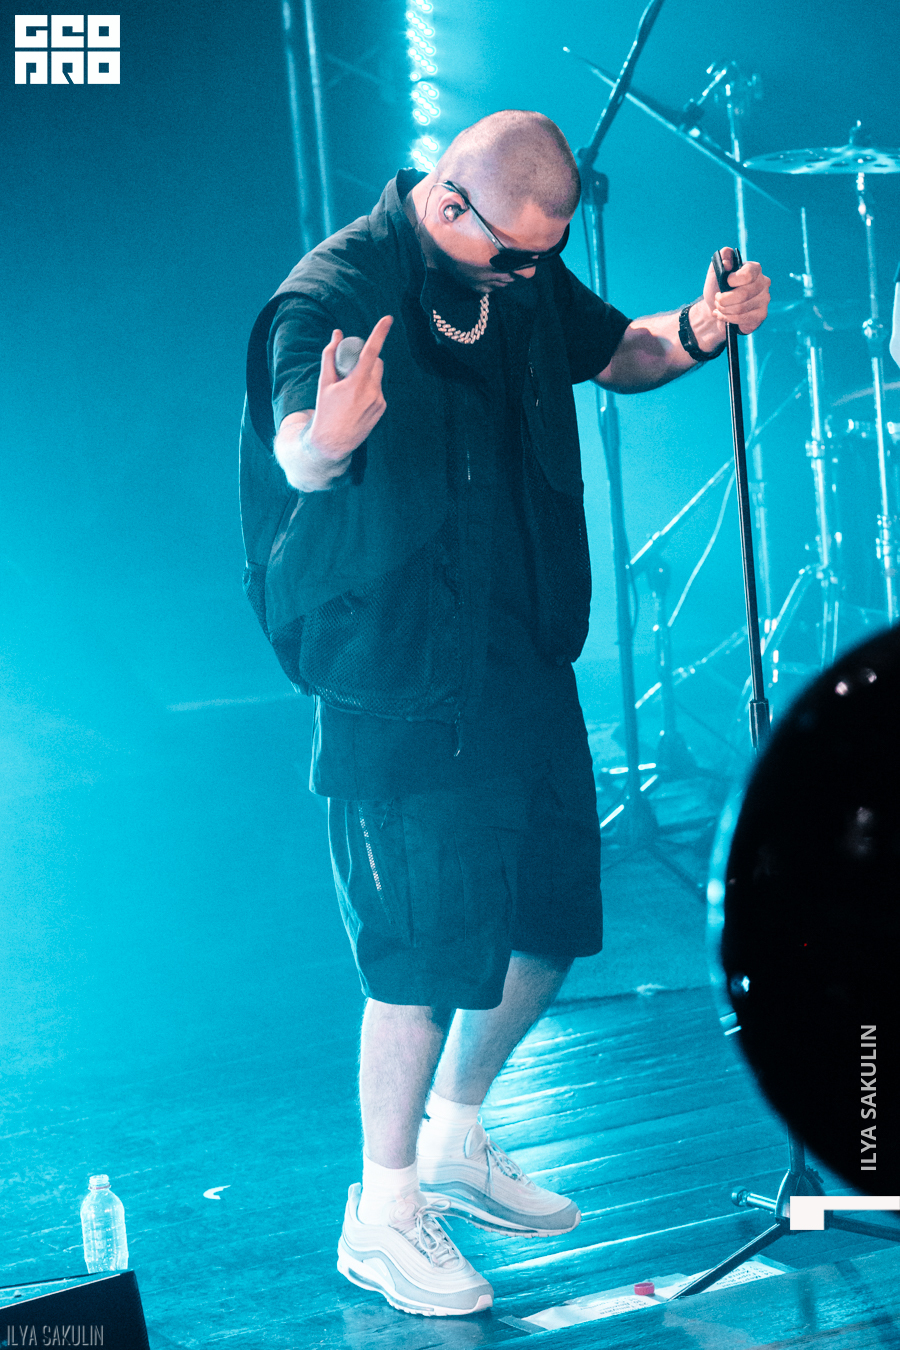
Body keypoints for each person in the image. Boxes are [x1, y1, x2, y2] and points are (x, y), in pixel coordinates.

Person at [240, 109, 771, 1318]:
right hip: (393, 676)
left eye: (544, 258)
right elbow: (295, 446)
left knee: (550, 923)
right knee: (420, 963)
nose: (529, 277)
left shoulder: (518, 276)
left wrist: (701, 326)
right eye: (513, 255)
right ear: (448, 203)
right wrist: (323, 444)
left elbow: (618, 350)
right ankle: (382, 1216)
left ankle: (455, 1136)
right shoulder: (337, 290)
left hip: (519, 662)